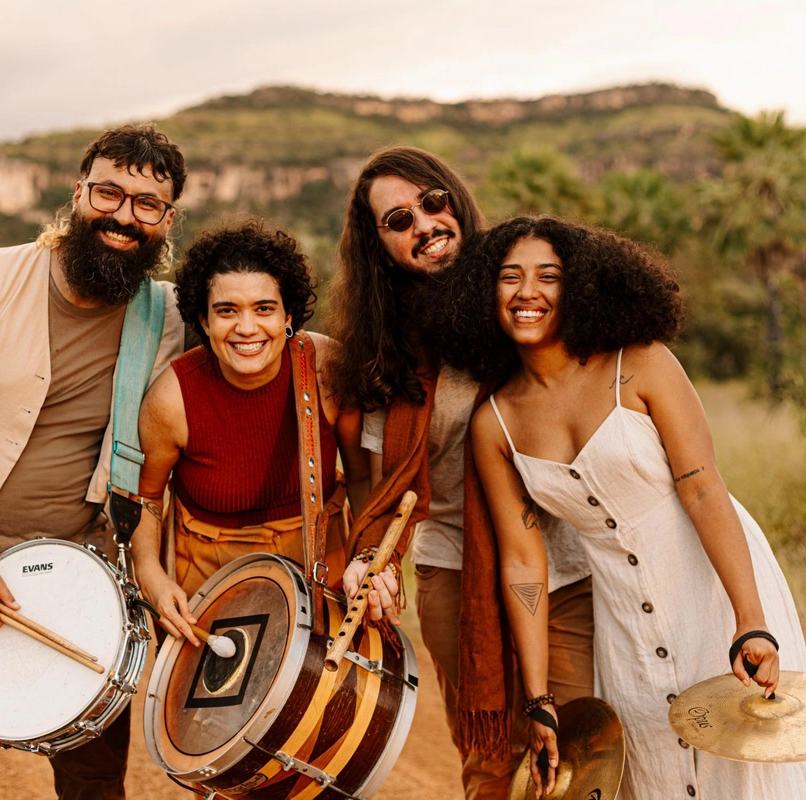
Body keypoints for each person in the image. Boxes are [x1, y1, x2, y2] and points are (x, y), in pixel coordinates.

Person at [446, 215, 806, 798]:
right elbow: (523, 562)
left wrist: (751, 619)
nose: (528, 292)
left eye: (549, 276)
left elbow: (703, 490)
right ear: (485, 293)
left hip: (712, 585)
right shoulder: (494, 423)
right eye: (509, 277)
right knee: (657, 772)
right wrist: (539, 697)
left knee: (748, 766)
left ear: (581, 287)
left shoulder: (641, 363)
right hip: (621, 623)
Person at [0, 124, 187, 800]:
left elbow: (260, 339)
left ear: (166, 222)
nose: (123, 215)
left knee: (95, 787)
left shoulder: (167, 317)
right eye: (110, 193)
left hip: (91, 591)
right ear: (79, 194)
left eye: (146, 204)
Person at [325, 146, 595, 799]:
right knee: (491, 756)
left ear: (456, 199)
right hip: (453, 569)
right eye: (398, 220)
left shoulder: (527, 297)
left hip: (566, 566)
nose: (424, 223)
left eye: (432, 201)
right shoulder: (382, 350)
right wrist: (371, 556)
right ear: (379, 246)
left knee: (581, 748)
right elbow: (371, 481)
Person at [131, 220, 372, 643]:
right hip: (210, 585)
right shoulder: (173, 399)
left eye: (264, 308)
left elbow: (362, 476)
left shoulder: (326, 369)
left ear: (289, 315)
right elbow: (147, 498)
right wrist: (150, 574)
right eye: (227, 311)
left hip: (322, 568)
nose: (246, 328)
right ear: (203, 321)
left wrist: (369, 557)